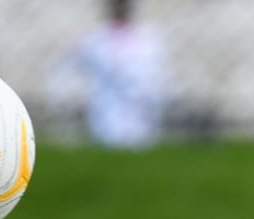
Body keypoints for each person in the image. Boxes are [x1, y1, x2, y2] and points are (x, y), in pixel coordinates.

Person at [48, 0, 168, 148]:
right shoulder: (97, 39)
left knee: (138, 142)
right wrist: (64, 100)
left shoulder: (147, 38)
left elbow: (155, 76)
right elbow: (69, 64)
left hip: (139, 110)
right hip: (108, 110)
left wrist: (153, 99)